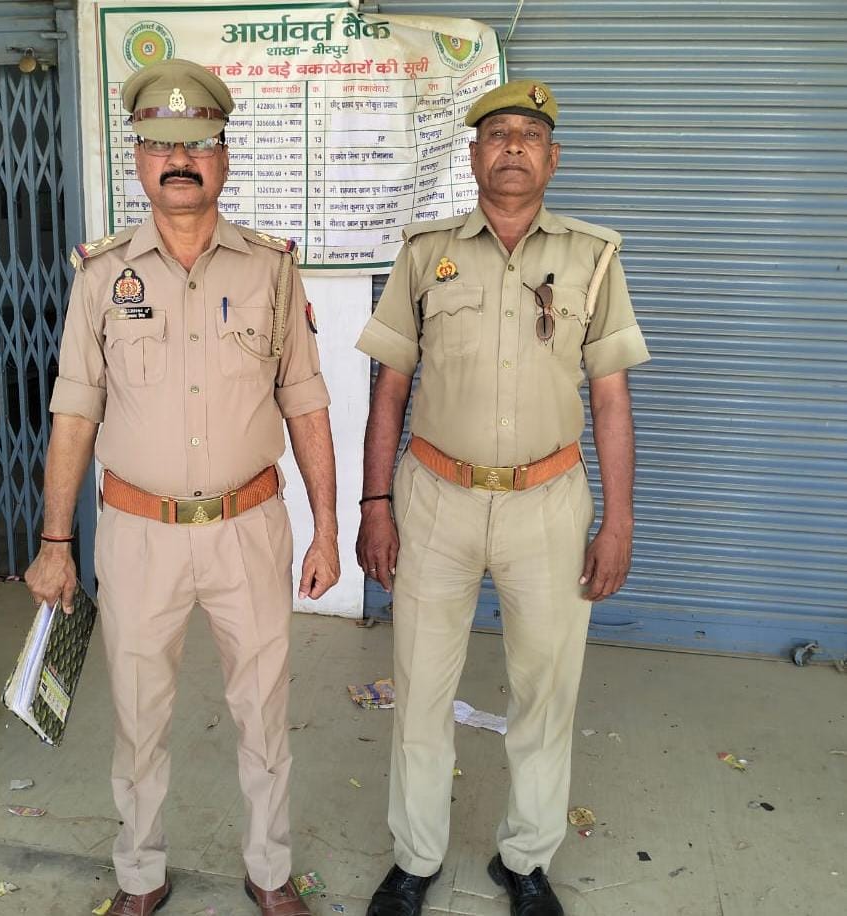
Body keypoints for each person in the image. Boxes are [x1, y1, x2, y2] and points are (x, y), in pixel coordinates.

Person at [25, 59, 339, 916]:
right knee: (137, 715)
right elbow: (74, 413)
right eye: (160, 144)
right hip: (138, 534)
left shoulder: (270, 269)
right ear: (137, 158)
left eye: (197, 144)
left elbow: (305, 400)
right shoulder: (100, 275)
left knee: (263, 711)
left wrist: (326, 529)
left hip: (248, 527)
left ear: (223, 156)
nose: (179, 160)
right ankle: (140, 873)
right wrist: (55, 543)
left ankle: (269, 870)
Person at [355, 80, 650, 916]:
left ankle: (524, 859)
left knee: (544, 692)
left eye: (528, 134)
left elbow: (611, 398)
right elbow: (388, 388)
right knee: (419, 688)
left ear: (552, 159)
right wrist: (374, 504)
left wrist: (618, 520)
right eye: (496, 134)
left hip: (548, 502)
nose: (512, 146)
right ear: (473, 155)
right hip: (433, 498)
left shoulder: (593, 257)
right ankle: (415, 858)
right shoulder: (425, 253)